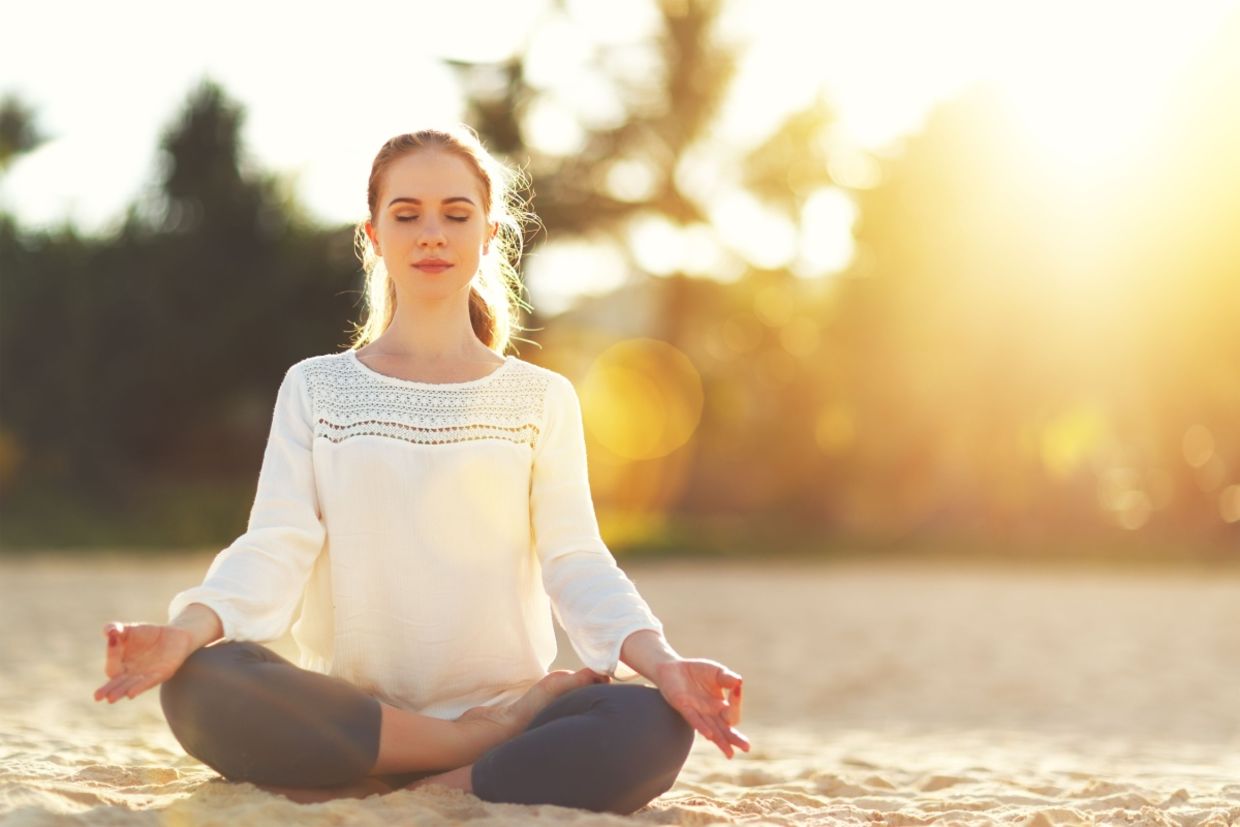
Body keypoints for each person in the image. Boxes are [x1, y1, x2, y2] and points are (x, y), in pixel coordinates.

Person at [93, 125, 749, 815]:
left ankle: (414, 774)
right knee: (202, 682)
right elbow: (276, 543)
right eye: (406, 215)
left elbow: (576, 558)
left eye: (455, 215)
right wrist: (187, 630)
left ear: (489, 234)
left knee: (652, 722)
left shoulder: (540, 398)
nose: (431, 233)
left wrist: (667, 665)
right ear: (373, 235)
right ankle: (460, 750)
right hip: (358, 714)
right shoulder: (315, 388)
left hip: (505, 706)